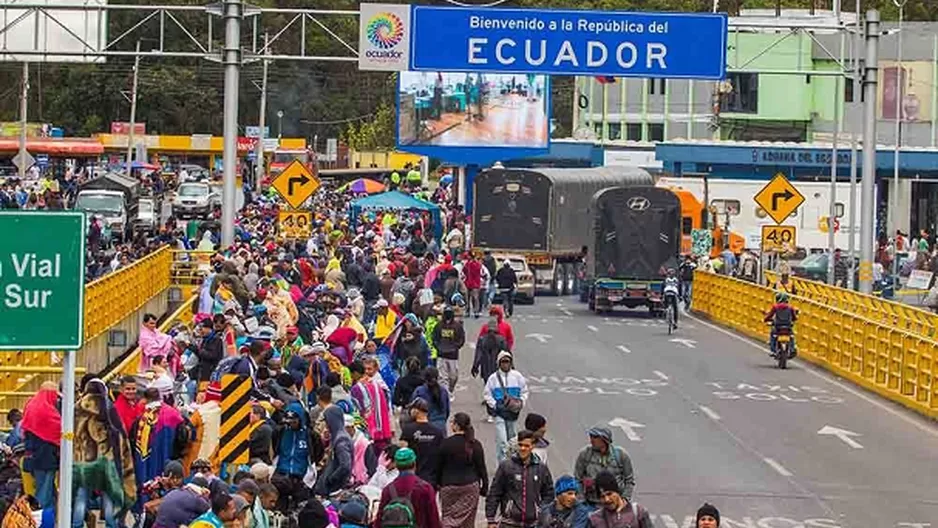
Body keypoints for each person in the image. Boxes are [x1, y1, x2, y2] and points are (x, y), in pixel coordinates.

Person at [72, 378, 137, 528]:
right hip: (106, 460)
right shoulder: (108, 406)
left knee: (81, 496)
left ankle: (76, 524)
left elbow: (70, 433)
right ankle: (110, 524)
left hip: (83, 461)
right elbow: (120, 434)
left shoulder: (76, 408)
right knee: (109, 495)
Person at [486, 430, 554, 528]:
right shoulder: (506, 466)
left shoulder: (541, 468)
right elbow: (494, 492)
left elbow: (549, 493)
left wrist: (539, 510)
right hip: (509, 523)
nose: (522, 448)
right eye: (520, 445)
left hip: (532, 524)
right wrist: (491, 519)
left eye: (526, 446)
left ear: (533, 446)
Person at [437, 413, 488, 528]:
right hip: (470, 486)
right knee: (468, 522)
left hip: (449, 487)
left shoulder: (446, 444)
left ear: (456, 425)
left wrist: (438, 484)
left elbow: (438, 466)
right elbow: (481, 468)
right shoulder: (475, 444)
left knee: (448, 518)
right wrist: (484, 487)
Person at [375, 447, 441, 528]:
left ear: (397, 465)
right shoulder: (425, 488)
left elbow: (379, 522)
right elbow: (434, 521)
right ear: (414, 464)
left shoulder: (388, 490)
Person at [21, 382, 61, 509]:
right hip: (46, 457)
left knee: (43, 488)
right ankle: (41, 520)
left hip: (31, 455)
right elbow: (59, 431)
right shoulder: (48, 412)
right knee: (44, 492)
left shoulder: (30, 405)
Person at [484, 350, 529, 463]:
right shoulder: (493, 378)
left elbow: (524, 391)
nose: (505, 364)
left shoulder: (517, 376)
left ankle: (512, 463)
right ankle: (502, 464)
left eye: (508, 361)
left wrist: (521, 402)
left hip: (513, 413)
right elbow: (487, 394)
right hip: (500, 413)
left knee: (512, 440)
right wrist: (495, 405)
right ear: (499, 363)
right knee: (502, 440)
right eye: (503, 362)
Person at [574, 427, 635, 505]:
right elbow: (577, 479)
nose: (591, 439)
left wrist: (625, 499)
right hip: (592, 503)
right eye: (591, 436)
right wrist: (581, 501)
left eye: (595, 437)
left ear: (605, 439)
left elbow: (629, 481)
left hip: (615, 503)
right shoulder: (585, 454)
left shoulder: (621, 455)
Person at [349, 356, 394, 453]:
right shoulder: (377, 384)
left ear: (355, 373)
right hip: (383, 429)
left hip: (369, 431)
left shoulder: (357, 388)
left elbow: (359, 411)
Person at [399, 397, 444, 489]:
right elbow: (441, 456)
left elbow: (402, 454)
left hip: (412, 478)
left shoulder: (408, 430)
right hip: (432, 478)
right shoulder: (437, 432)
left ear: (416, 411)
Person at [585, 471, 652, 528]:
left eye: (609, 494)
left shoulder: (638, 512)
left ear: (617, 492)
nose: (607, 499)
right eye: (602, 497)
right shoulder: (594, 519)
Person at [314, 405, 353, 497]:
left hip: (334, 489)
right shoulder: (336, 436)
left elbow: (345, 466)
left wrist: (331, 479)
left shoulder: (341, 440)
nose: (326, 424)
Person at [431, 307, 465, 396]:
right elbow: (434, 338)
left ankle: (450, 389)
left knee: (453, 376)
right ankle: (445, 394)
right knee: (442, 377)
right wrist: (438, 347)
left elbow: (461, 338)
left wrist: (456, 347)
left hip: (453, 355)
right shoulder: (438, 326)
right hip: (441, 355)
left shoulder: (457, 326)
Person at [411, 367, 450, 431]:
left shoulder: (419, 391)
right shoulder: (443, 391)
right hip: (441, 426)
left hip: (425, 426)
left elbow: (413, 409)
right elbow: (447, 410)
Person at [764, 291, 798, 359]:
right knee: (791, 336)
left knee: (773, 335)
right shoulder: (790, 307)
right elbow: (794, 318)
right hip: (788, 326)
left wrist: (766, 319)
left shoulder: (776, 307)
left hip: (778, 326)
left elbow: (770, 315)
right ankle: (792, 348)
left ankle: (773, 350)